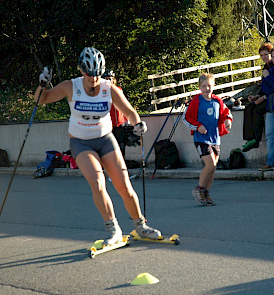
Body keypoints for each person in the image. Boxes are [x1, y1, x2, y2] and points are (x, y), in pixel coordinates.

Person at [35, 47, 161, 245]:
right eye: (88, 74)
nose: (93, 79)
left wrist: (138, 124)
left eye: (97, 74)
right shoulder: (71, 86)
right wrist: (42, 85)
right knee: (98, 183)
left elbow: (129, 112)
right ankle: (114, 229)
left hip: (105, 139)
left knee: (124, 186)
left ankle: (141, 226)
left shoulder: (108, 88)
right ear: (81, 70)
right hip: (80, 142)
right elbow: (41, 100)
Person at [182, 73, 233, 206]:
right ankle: (199, 189)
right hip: (201, 138)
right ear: (199, 87)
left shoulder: (217, 100)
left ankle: (206, 192)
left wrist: (228, 120)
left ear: (213, 86)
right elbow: (186, 118)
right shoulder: (196, 101)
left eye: (209, 86)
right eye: (204, 86)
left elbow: (226, 112)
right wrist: (198, 127)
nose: (207, 89)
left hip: (215, 138)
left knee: (213, 167)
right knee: (210, 164)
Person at [242, 42, 274, 152]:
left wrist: (263, 98)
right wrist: (256, 96)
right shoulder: (266, 67)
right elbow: (264, 87)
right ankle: (250, 138)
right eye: (262, 55)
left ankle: (256, 139)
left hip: (272, 98)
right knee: (249, 107)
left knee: (257, 110)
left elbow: (273, 86)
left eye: (266, 54)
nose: (264, 57)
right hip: (265, 96)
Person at [101, 69, 129, 158]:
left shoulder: (119, 90)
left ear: (114, 80)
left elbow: (124, 105)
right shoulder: (101, 92)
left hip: (120, 124)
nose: (109, 81)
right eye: (106, 79)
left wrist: (127, 119)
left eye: (110, 78)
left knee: (121, 147)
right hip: (107, 125)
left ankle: (121, 166)